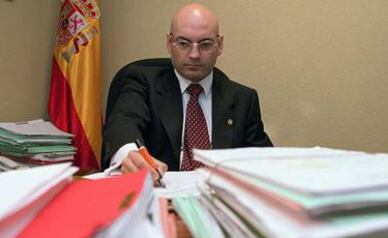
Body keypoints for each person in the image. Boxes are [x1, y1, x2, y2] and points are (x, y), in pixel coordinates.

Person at [102, 3, 273, 183]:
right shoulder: (143, 82)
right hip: (160, 196)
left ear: (219, 45)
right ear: (169, 43)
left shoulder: (243, 100)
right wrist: (131, 155)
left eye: (205, 44)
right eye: (183, 43)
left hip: (216, 201)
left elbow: (265, 161)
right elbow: (123, 122)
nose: (194, 54)